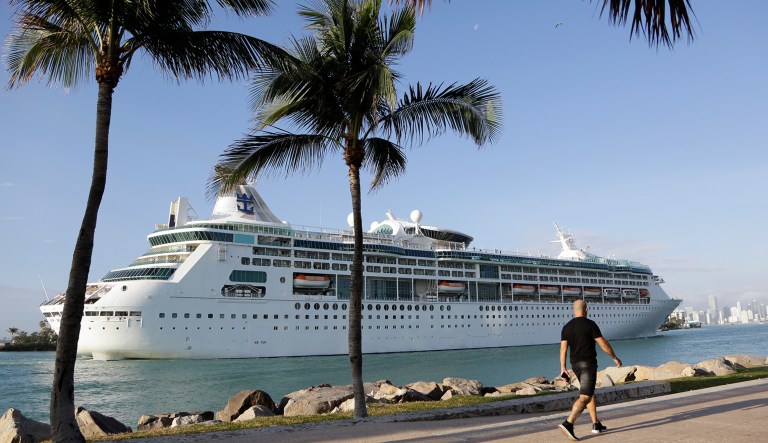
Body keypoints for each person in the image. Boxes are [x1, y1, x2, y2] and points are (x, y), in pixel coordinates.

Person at [558, 299, 622, 441]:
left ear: (573, 310)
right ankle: (568, 423)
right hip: (588, 365)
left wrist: (563, 369)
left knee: (590, 392)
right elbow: (603, 343)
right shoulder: (590, 324)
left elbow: (563, 349)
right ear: (586, 309)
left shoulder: (566, 327)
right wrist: (614, 357)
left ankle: (596, 424)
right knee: (585, 396)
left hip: (575, 365)